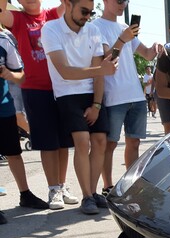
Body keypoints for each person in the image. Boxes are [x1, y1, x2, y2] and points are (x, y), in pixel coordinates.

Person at [0, 0, 80, 210]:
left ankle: (62, 186)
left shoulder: (53, 14)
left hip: (61, 86)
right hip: (34, 88)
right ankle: (53, 188)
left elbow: (71, 4)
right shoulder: (17, 19)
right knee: (47, 142)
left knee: (63, 142)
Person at [41, 0, 118, 215]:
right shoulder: (50, 29)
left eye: (91, 12)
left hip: (92, 93)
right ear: (67, 3)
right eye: (84, 11)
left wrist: (96, 104)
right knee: (83, 141)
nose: (87, 16)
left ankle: (93, 193)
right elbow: (65, 71)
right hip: (67, 93)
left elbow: (100, 72)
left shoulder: (93, 30)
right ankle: (86, 196)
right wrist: (99, 69)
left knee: (101, 140)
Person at [93, 0, 162, 195]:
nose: (123, 4)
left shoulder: (125, 28)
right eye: (119, 0)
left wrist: (155, 47)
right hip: (113, 95)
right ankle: (107, 186)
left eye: (126, 0)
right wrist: (123, 39)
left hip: (136, 95)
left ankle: (131, 186)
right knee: (110, 144)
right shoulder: (96, 27)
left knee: (134, 142)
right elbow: (108, 58)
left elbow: (147, 55)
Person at [1, 27, 50, 223]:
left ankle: (25, 194)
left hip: (4, 106)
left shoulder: (4, 41)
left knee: (14, 152)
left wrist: (7, 74)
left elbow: (21, 75)